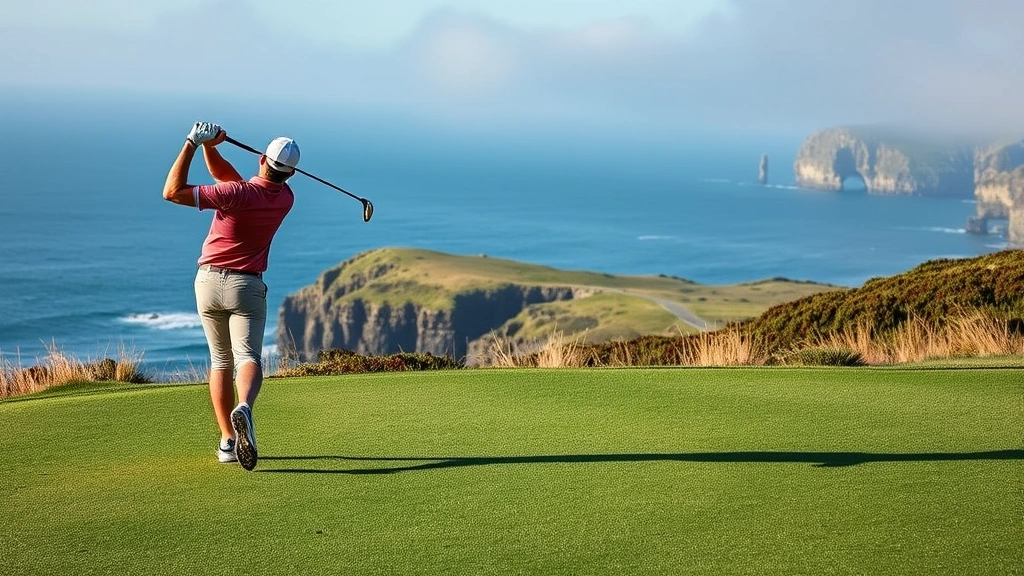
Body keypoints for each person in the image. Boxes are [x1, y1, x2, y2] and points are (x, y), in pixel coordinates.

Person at [162, 122, 299, 471]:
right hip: (248, 287)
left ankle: (226, 440)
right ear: (291, 173)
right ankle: (245, 408)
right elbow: (233, 181)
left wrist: (192, 142)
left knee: (220, 361)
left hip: (208, 283)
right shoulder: (285, 199)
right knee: (248, 356)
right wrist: (212, 147)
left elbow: (172, 191)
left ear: (263, 160)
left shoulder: (236, 194)